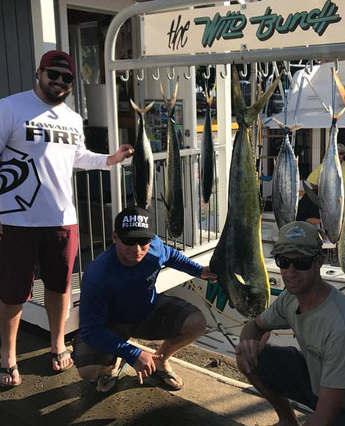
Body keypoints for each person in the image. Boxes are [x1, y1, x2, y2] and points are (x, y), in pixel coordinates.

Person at [0, 50, 133, 388]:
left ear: (72, 83)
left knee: (59, 288)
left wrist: (110, 159)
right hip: (15, 221)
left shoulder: (73, 119)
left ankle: (58, 344)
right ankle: (8, 357)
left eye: (66, 77)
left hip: (62, 221)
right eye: (52, 74)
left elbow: (78, 156)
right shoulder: (11, 107)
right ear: (39, 72)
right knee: (13, 293)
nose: (58, 81)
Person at [235, 221, 345, 426]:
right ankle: (287, 420)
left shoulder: (342, 327)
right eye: (283, 261)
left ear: (319, 261)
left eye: (302, 262)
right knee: (249, 357)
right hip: (319, 387)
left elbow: (324, 416)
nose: (290, 271)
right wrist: (247, 345)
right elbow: (254, 326)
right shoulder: (290, 297)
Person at [73, 206, 216, 393]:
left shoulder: (155, 246)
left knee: (196, 323)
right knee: (89, 372)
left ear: (151, 238)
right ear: (115, 237)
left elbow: (171, 255)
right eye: (129, 241)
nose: (137, 249)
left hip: (146, 311)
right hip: (110, 324)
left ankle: (160, 360)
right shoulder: (97, 275)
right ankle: (112, 365)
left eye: (143, 241)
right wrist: (132, 354)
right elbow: (91, 329)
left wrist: (199, 270)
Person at [296, 143, 345, 225]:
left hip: (343, 207)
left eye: (340, 153)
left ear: (344, 155)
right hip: (327, 206)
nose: (337, 155)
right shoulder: (324, 166)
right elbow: (312, 181)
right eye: (335, 153)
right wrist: (321, 191)